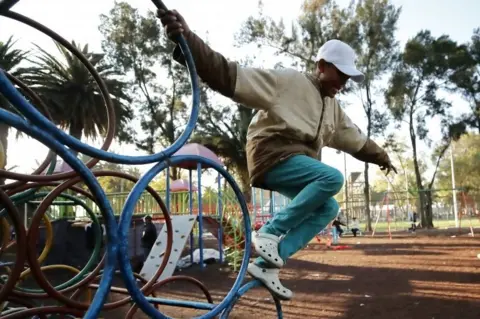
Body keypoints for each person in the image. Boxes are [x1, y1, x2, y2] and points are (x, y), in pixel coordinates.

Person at [157, 9, 397, 300]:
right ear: (321, 65)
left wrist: (382, 157)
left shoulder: (333, 110)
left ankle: (267, 265)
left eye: (347, 77)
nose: (342, 82)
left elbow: (357, 141)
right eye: (339, 74)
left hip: (294, 165)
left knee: (328, 209)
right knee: (332, 178)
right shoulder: (289, 83)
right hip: (270, 153)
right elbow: (232, 76)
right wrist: (188, 40)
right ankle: (268, 232)